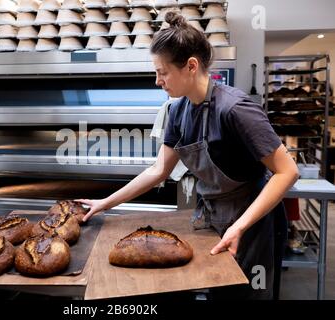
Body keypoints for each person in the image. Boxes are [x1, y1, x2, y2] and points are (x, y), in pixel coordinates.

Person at [76, 12, 299, 300]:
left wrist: (240, 226)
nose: (158, 81)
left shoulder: (236, 109)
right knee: (220, 290)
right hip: (214, 216)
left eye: (163, 72)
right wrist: (105, 203)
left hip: (252, 221)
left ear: (191, 66)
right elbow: (159, 170)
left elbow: (287, 171)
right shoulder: (178, 111)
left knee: (247, 295)